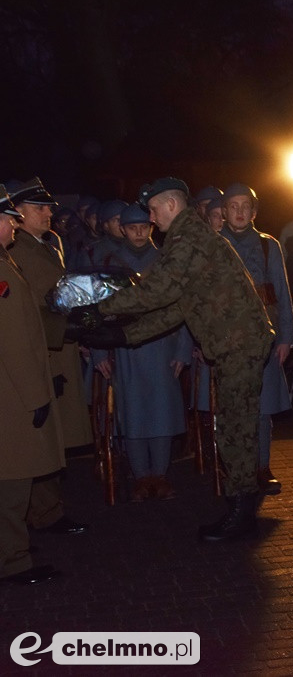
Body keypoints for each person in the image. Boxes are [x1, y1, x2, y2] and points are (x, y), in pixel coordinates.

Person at [69, 177, 274, 541]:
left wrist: (99, 310)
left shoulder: (188, 239)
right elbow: (178, 307)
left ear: (171, 206)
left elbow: (157, 291)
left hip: (237, 345)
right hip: (236, 344)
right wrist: (123, 334)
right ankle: (241, 507)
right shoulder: (190, 239)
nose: (150, 218)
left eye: (152, 209)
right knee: (234, 427)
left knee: (235, 431)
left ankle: (242, 512)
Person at [90, 204, 192, 501]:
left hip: (163, 343)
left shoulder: (166, 259)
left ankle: (159, 475)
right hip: (124, 346)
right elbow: (97, 309)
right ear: (122, 229)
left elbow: (182, 305)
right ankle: (140, 475)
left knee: (161, 410)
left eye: (143, 227)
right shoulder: (108, 261)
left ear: (151, 227)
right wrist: (99, 353)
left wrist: (184, 349)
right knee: (131, 410)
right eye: (131, 227)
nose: (138, 232)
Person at [8, 177, 91, 536]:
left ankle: (45, 510)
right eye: (38, 208)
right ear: (18, 213)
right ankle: (44, 513)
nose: (47, 213)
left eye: (48, 207)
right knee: (42, 438)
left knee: (51, 437)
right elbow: (36, 313)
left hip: (57, 349)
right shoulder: (21, 251)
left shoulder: (41, 245)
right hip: (46, 354)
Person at [0, 186, 64, 585]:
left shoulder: (6, 260)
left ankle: (12, 547)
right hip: (12, 392)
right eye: (9, 218)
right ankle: (13, 561)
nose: (14, 224)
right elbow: (13, 340)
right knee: (14, 477)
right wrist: (36, 396)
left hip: (11, 388)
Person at [219, 183, 293, 495]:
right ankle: (233, 471)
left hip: (264, 339)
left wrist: (286, 338)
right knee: (230, 409)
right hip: (225, 341)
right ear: (223, 211)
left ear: (253, 211)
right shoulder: (213, 245)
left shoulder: (269, 246)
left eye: (245, 206)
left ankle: (262, 467)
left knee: (262, 409)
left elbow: (282, 293)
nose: (239, 212)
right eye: (232, 205)